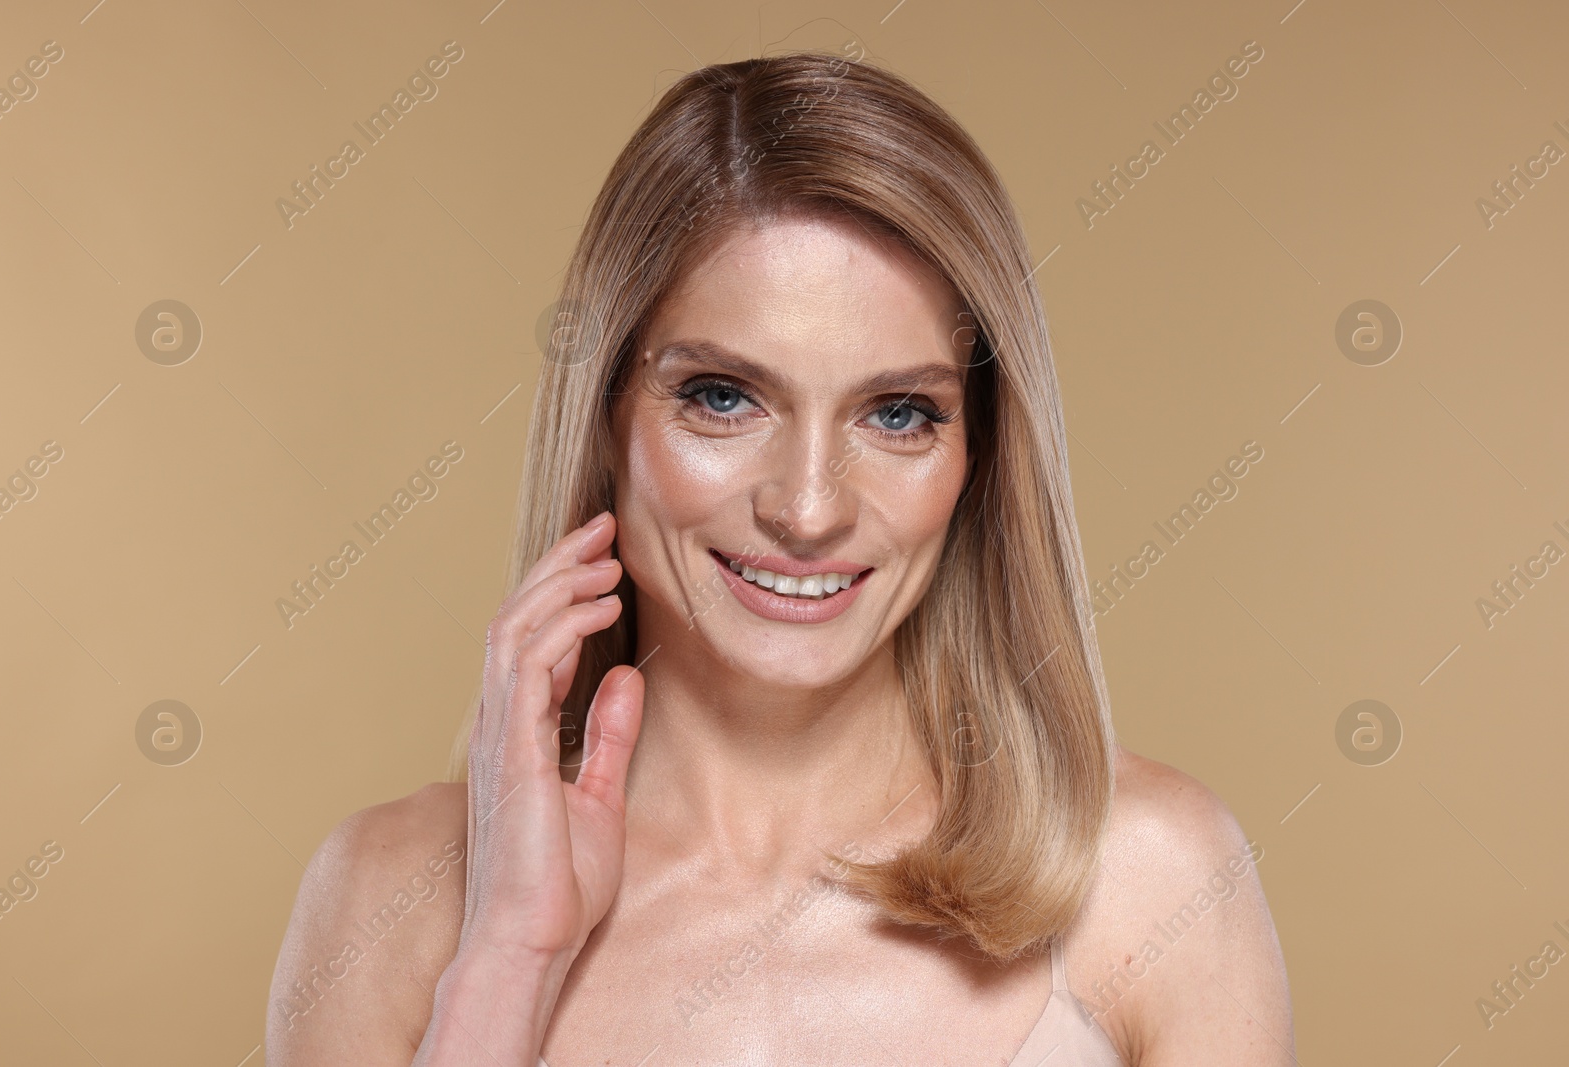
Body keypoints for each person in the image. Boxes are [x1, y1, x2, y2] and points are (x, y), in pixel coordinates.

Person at [267, 48, 1293, 1066]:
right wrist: (506, 960)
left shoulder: (1151, 880)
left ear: (978, 455)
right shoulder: (385, 898)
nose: (806, 509)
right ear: (604, 418)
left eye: (898, 413)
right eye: (722, 395)